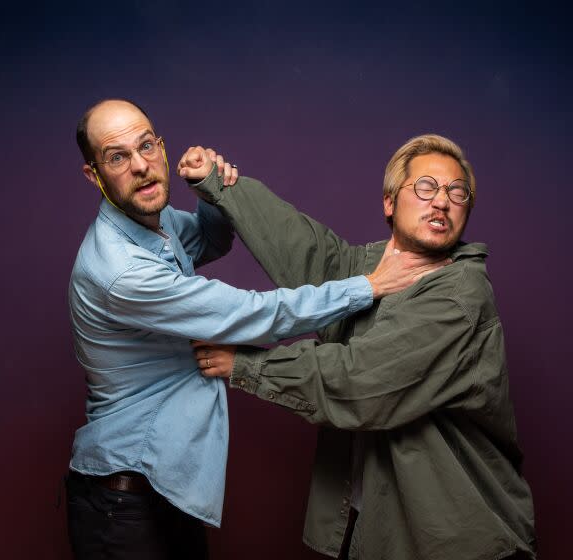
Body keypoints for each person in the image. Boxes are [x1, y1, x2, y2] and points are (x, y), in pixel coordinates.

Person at [65, 100, 447, 560]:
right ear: (95, 174)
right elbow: (252, 314)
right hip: (122, 500)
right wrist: (368, 286)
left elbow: (210, 239)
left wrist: (213, 193)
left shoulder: (153, 220)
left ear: (161, 147)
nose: (142, 166)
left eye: (146, 146)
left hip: (161, 485)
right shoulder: (121, 272)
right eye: (118, 157)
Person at [192, 134, 537, 560]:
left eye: (456, 192)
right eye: (426, 187)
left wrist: (246, 365)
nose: (442, 201)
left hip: (456, 542)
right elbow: (309, 253)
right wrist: (224, 185)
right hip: (373, 529)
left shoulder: (459, 295)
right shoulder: (380, 268)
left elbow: (362, 380)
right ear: (389, 203)